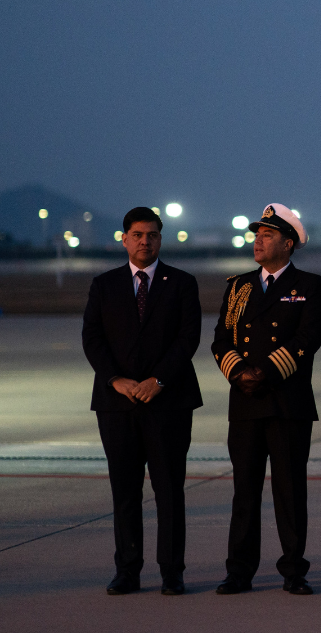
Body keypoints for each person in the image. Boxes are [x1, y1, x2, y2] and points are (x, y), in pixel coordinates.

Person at [82, 207, 203, 596]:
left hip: (168, 402)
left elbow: (188, 338)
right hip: (117, 403)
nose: (144, 241)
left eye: (152, 235)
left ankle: (172, 571)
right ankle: (127, 570)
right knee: (125, 489)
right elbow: (92, 338)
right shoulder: (104, 285)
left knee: (169, 489)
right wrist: (115, 379)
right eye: (137, 234)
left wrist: (159, 380)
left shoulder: (181, 283)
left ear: (160, 239)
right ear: (124, 239)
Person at [211, 204, 321, 596]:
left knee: (290, 491)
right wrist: (238, 372)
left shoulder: (310, 286)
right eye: (256, 235)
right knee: (244, 491)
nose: (257, 241)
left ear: (289, 243)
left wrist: (265, 372)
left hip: (287, 403)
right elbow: (221, 339)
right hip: (245, 404)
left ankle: (294, 570)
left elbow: (307, 340)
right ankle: (239, 571)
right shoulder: (239, 285)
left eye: (267, 235)